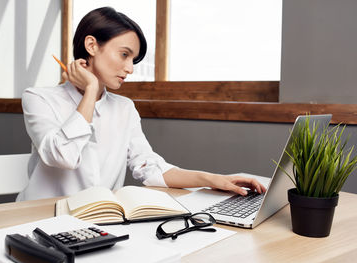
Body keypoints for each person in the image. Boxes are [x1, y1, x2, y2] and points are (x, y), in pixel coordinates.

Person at [16, 7, 266, 201]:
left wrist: (214, 179)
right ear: (91, 45)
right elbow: (63, 157)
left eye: (133, 59)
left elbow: (149, 167)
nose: (130, 69)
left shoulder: (124, 108)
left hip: (99, 221)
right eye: (124, 55)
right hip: (39, 220)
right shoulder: (38, 98)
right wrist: (91, 90)